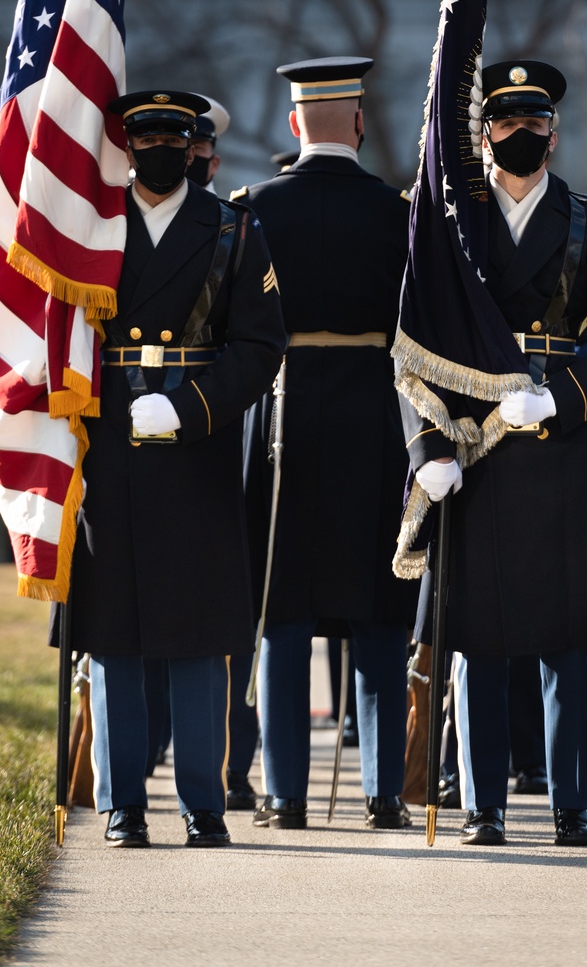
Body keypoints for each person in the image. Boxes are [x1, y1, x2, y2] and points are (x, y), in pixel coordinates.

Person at [401, 59, 587, 847]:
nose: (520, 135)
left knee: (565, 640)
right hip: (475, 455)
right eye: (504, 123)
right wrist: (430, 447)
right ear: (481, 134)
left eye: (534, 123)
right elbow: (413, 352)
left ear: (554, 130)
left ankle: (571, 801)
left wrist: (562, 396)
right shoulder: (451, 232)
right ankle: (483, 806)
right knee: (474, 639)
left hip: (557, 449)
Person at [64, 89, 285, 849]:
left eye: (173, 137)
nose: (159, 149)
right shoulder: (90, 228)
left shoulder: (233, 228)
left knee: (197, 635)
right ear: (127, 145)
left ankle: (203, 803)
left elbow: (260, 347)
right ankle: (123, 801)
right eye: (145, 136)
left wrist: (190, 407)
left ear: (193, 144)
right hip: (110, 447)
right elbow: (57, 328)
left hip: (195, 450)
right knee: (114, 633)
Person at [236, 56, 418, 830]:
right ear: (360, 122)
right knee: (379, 615)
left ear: (292, 125)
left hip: (285, 417)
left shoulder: (250, 209)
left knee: (283, 617)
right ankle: (382, 795)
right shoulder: (396, 212)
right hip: (373, 420)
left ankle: (285, 795)